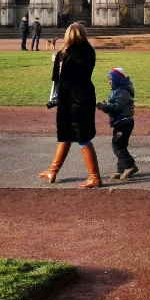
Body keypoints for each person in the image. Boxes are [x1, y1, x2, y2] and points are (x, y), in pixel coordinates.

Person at [38, 22, 102, 188]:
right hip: (86, 94)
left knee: (82, 137)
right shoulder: (90, 51)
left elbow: (57, 78)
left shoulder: (64, 53)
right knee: (69, 134)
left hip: (70, 97)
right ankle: (53, 170)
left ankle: (94, 176)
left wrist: (56, 61)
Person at [97, 67, 138, 180]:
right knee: (121, 145)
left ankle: (129, 166)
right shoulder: (119, 89)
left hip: (123, 123)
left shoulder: (123, 91)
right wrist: (106, 107)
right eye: (108, 80)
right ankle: (121, 169)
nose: (109, 82)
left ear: (117, 79)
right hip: (121, 122)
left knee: (117, 145)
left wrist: (105, 107)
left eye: (111, 79)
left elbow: (118, 107)